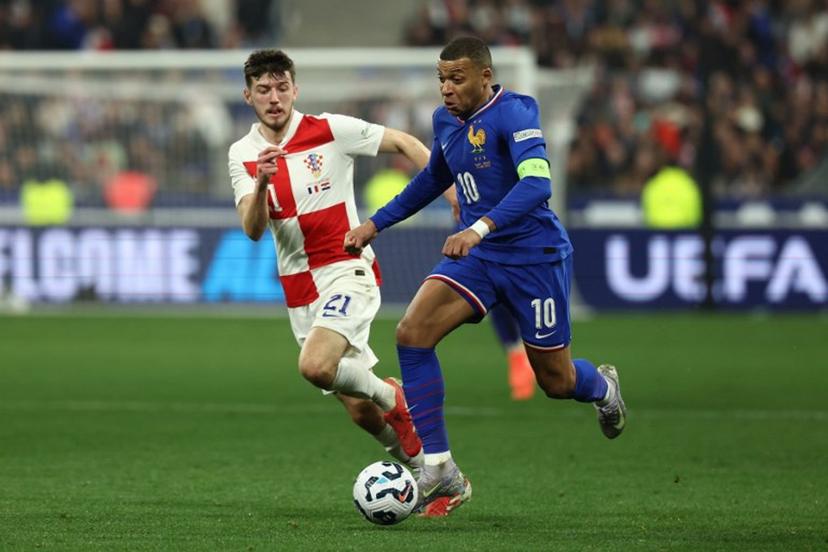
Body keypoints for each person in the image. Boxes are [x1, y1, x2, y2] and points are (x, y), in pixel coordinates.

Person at [344, 36, 627, 515]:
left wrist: (478, 228)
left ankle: (602, 388)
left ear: (485, 76)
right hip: (479, 258)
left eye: (456, 78)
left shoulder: (515, 112)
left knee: (556, 381)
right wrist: (375, 224)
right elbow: (433, 179)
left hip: (534, 257)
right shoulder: (445, 121)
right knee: (412, 334)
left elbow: (537, 183)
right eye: (441, 79)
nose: (446, 88)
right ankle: (438, 466)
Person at [227, 49, 428, 480]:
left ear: (295, 90)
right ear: (248, 96)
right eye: (263, 89)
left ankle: (393, 397)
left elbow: (405, 143)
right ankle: (433, 472)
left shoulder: (330, 130)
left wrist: (451, 192)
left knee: (315, 366)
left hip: (345, 268)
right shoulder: (242, 153)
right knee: (359, 410)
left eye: (282, 87)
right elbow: (253, 229)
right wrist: (261, 183)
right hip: (300, 290)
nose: (274, 97)